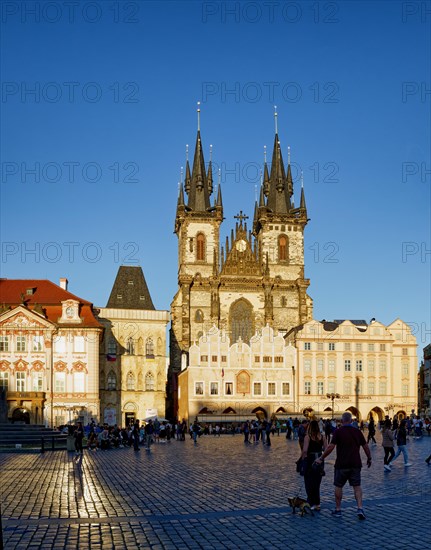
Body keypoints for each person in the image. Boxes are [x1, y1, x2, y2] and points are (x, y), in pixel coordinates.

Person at [314, 411, 371, 520]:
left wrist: (321, 458)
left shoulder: (338, 432)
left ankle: (338, 509)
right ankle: (360, 508)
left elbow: (331, 447)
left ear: (342, 421)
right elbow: (365, 447)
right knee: (357, 486)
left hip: (341, 464)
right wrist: (369, 458)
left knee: (338, 486)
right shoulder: (357, 432)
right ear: (351, 420)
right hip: (355, 464)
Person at [301, 420, 327, 511]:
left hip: (310, 460)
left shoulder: (308, 437)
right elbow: (326, 448)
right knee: (317, 482)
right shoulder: (322, 436)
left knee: (309, 482)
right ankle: (317, 503)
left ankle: (311, 503)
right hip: (319, 460)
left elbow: (304, 451)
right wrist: (321, 457)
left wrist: (303, 460)